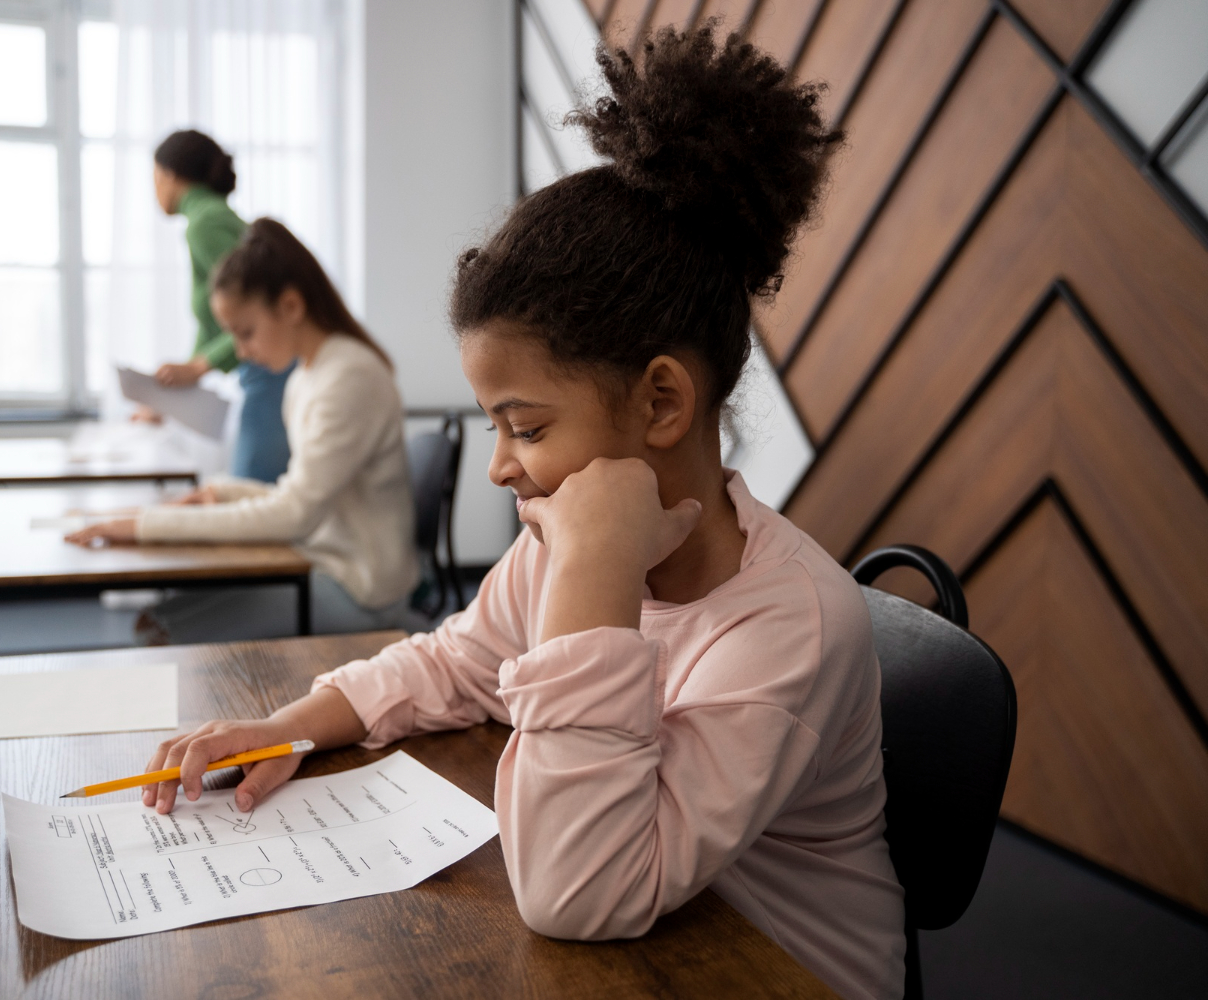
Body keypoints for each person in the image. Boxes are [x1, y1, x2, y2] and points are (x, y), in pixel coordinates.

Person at [127, 26, 905, 1000]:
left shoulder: (786, 625)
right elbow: (455, 660)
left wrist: (592, 575)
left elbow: (580, 890)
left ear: (663, 403)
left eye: (525, 426)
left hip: (772, 971)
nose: (499, 467)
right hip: (656, 947)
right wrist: (290, 725)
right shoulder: (562, 547)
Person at [67, 218, 420, 638]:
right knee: (159, 620)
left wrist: (144, 524)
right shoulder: (307, 375)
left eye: (246, 332)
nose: (239, 351)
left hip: (360, 590)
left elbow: (294, 515)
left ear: (290, 306)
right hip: (326, 563)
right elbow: (300, 495)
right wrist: (221, 492)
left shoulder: (348, 376)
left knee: (157, 629)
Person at [148, 129, 292, 483]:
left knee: (250, 489)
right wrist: (176, 388)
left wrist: (197, 368)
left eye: (153, 177)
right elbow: (213, 322)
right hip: (262, 372)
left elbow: (255, 313)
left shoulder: (204, 224)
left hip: (269, 372)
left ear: (169, 175)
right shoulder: (212, 217)